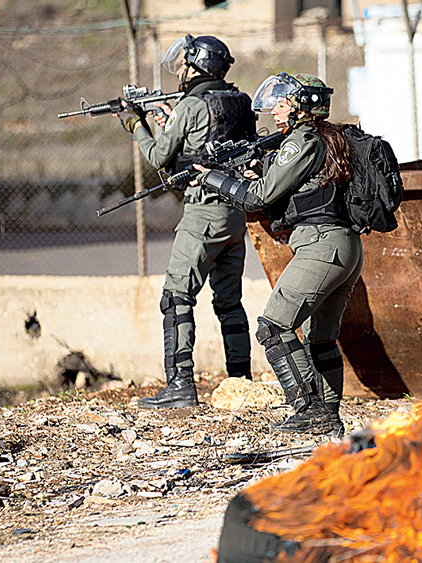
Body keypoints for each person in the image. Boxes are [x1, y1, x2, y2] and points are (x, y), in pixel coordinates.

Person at [194, 72, 361, 437]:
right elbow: (294, 191)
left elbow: (258, 198)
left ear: (300, 106)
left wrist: (215, 180)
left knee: (274, 326)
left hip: (321, 247)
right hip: (343, 247)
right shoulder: (329, 137)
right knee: (320, 339)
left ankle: (310, 410)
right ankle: (327, 420)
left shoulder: (301, 140)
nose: (275, 111)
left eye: (282, 104)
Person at [121, 35, 258, 408]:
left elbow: (160, 156)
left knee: (176, 297)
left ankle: (180, 386)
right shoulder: (240, 101)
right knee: (229, 302)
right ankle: (241, 382)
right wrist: (170, 120)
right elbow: (211, 144)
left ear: (198, 65)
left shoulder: (191, 104)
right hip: (234, 213)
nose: (180, 70)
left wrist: (137, 125)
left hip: (202, 215)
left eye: (185, 63)